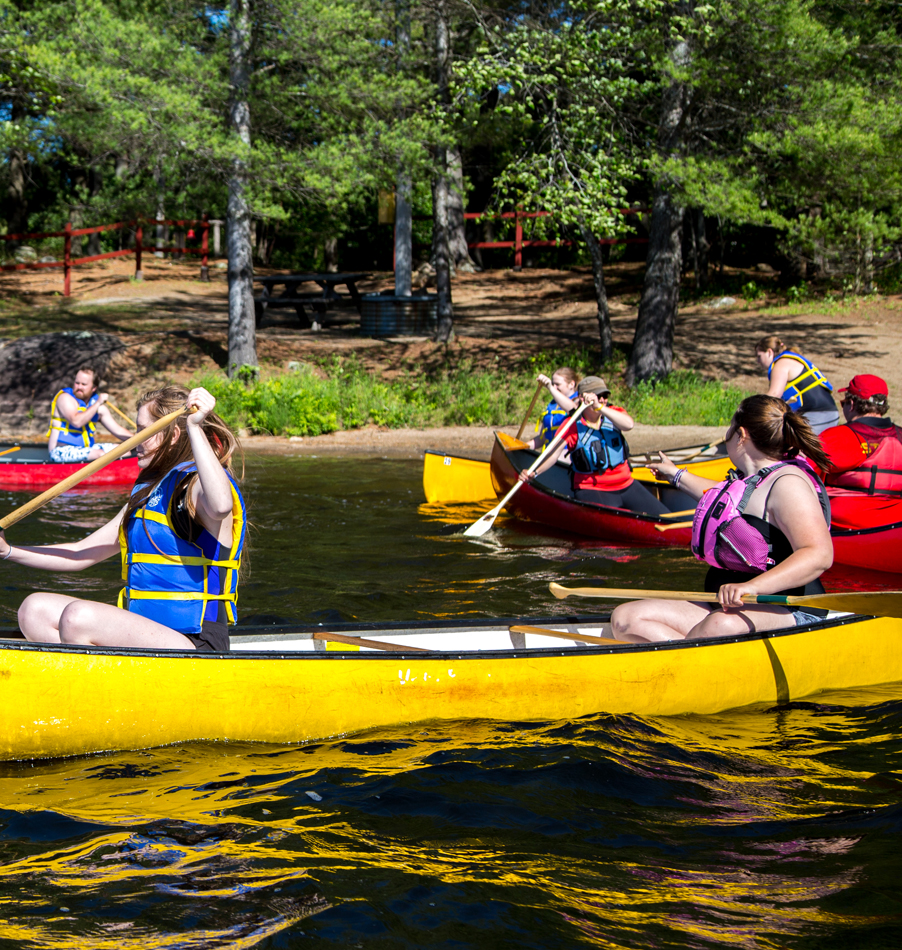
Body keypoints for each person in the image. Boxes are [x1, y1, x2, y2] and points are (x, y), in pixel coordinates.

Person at [4, 386, 245, 653]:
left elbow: (221, 505)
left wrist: (194, 428)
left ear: (173, 435)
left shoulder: (197, 486)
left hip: (196, 641)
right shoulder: (144, 494)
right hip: (144, 629)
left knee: (77, 618)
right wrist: (9, 551)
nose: (135, 439)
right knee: (34, 610)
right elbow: (80, 553)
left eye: (143, 431)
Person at [609, 395, 834, 643]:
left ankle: (680, 665)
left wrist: (752, 587)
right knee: (626, 618)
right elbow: (723, 501)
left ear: (741, 434)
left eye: (729, 429)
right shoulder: (748, 479)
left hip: (791, 610)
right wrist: (675, 475)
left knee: (719, 625)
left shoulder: (788, 483)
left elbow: (818, 555)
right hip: (724, 605)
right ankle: (684, 662)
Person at [518, 375, 671, 515]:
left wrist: (600, 407)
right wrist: (534, 472)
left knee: (663, 516)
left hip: (626, 484)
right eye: (598, 396)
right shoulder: (572, 425)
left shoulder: (613, 412)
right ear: (583, 398)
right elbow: (553, 455)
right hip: (592, 489)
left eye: (605, 396)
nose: (603, 399)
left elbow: (629, 424)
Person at [812, 375, 902, 496]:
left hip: (843, 513)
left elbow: (806, 474)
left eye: (844, 404)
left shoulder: (836, 437)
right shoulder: (900, 436)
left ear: (852, 404)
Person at [755, 335, 839, 434]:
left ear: (769, 352)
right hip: (829, 413)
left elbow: (774, 394)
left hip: (817, 415)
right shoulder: (790, 359)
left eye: (759, 356)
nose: (758, 361)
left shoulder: (780, 363)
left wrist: (754, 409)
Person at [47, 367, 133, 463]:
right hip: (60, 451)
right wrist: (97, 403)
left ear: (94, 388)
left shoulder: (97, 408)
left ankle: (115, 476)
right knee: (99, 454)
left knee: (124, 451)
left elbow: (117, 430)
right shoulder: (64, 399)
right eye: (77, 383)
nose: (79, 387)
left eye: (84, 384)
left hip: (87, 449)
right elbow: (76, 422)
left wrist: (142, 439)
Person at [524, 367, 580, 451]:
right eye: (553, 384)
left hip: (568, 456)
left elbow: (573, 410)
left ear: (571, 384)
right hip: (549, 456)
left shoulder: (578, 401)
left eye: (558, 384)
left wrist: (550, 387)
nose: (554, 387)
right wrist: (522, 446)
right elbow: (542, 439)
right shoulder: (552, 405)